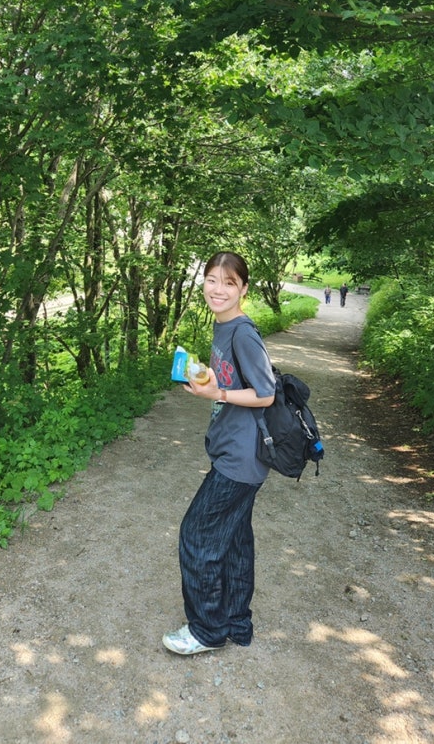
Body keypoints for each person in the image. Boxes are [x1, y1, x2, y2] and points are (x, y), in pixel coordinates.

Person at [162, 251, 276, 656]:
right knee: (235, 539)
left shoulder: (242, 332)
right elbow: (232, 382)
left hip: (241, 459)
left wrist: (218, 393)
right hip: (234, 450)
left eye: (229, 283)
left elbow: (266, 394)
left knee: (197, 535)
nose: (218, 289)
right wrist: (209, 383)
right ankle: (236, 624)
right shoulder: (223, 325)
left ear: (243, 288)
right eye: (212, 279)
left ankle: (207, 630)